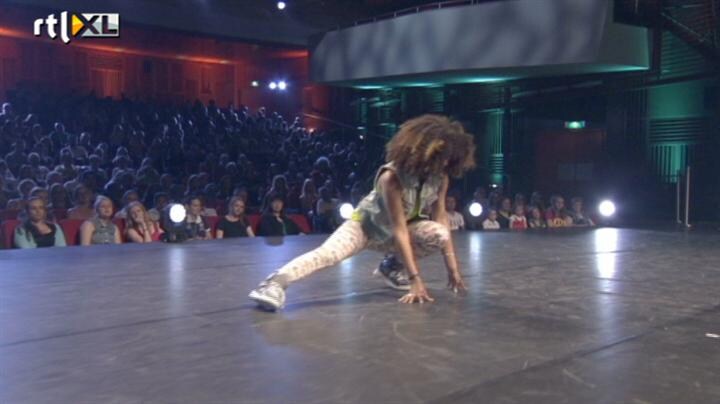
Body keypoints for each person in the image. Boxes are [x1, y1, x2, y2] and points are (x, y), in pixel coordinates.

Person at [249, 114, 476, 310]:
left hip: (395, 233)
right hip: (365, 227)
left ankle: (391, 266)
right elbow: (398, 228)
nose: (445, 165)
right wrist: (414, 279)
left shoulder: (440, 178)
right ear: (426, 152)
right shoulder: (391, 177)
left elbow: (441, 218)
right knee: (328, 254)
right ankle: (274, 283)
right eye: (442, 158)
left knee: (438, 233)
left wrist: (453, 270)